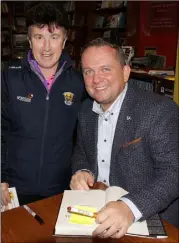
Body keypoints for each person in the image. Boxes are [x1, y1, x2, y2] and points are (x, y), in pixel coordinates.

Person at [70, 38, 179, 238]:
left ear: (126, 72)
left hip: (149, 217)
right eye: (88, 71)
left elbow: (173, 173)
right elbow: (80, 150)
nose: (96, 79)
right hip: (98, 211)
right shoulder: (85, 110)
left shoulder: (159, 111)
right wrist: (81, 170)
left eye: (105, 69)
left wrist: (130, 207)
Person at [1, 2, 86, 207]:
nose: (46, 47)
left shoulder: (79, 83)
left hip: (60, 189)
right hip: (13, 189)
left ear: (64, 41)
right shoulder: (9, 79)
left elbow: (83, 138)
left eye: (54, 37)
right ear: (30, 40)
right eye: (39, 37)